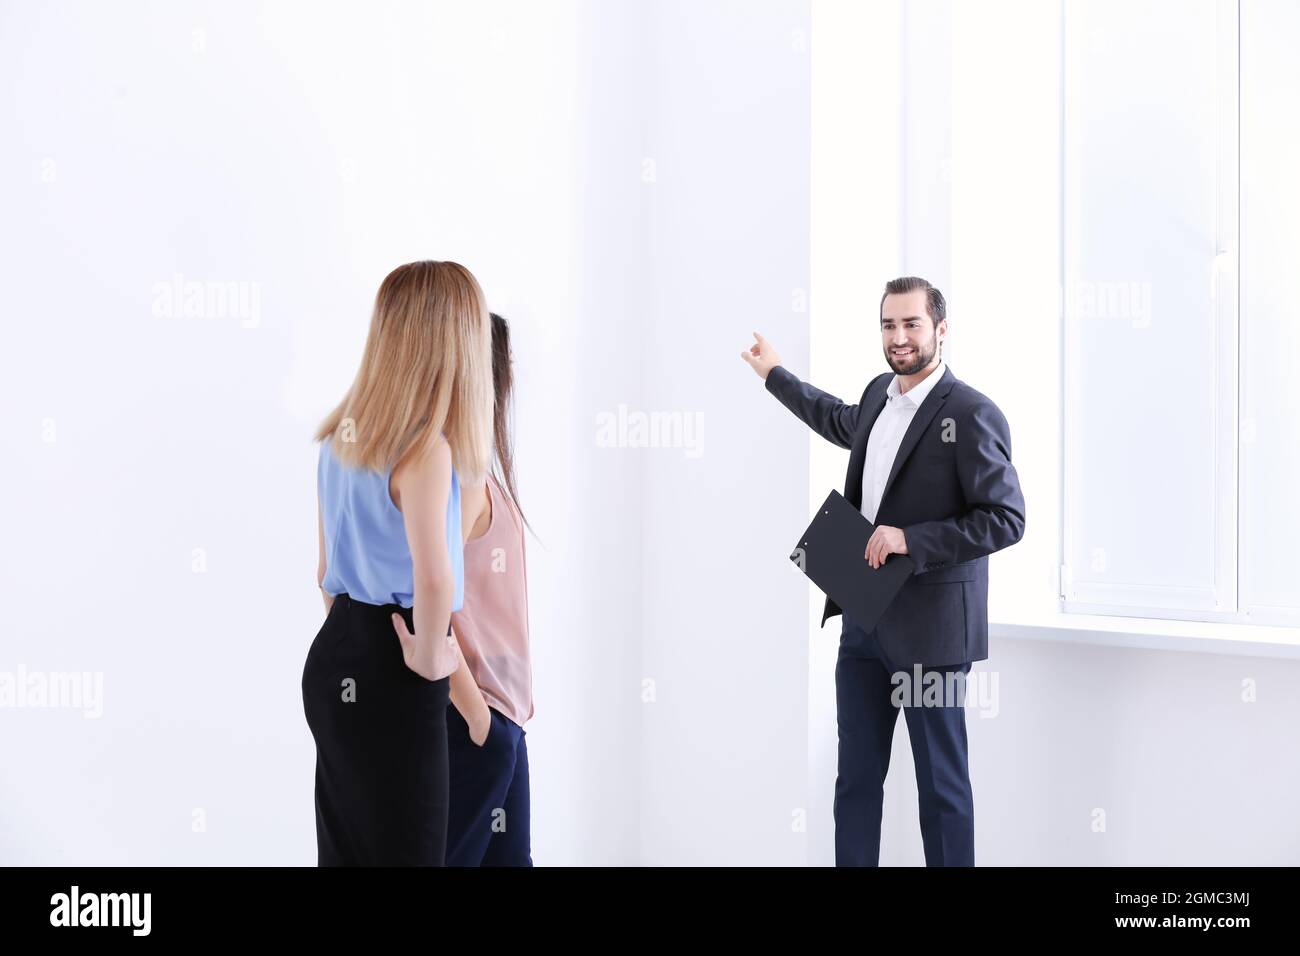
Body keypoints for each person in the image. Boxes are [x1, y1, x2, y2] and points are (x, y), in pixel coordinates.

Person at [741, 276, 1025, 866]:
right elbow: (837, 419)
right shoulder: (878, 394)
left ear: (940, 330)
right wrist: (775, 375)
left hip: (933, 632)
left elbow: (1005, 518)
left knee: (942, 791)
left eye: (911, 324)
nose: (899, 337)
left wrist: (910, 540)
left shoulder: (972, 413)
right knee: (856, 784)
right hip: (864, 618)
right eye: (889, 325)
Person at [303, 260, 494, 866]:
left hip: (335, 656)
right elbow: (434, 578)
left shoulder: (342, 439)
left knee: (347, 853)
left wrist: (356, 634)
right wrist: (429, 654)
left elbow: (324, 574)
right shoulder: (425, 451)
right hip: (396, 666)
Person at [442, 313, 536, 867]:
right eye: (508, 363)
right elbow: (426, 597)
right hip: (477, 713)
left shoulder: (474, 471)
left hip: (502, 718)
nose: (516, 375)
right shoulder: (459, 478)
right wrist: (477, 716)